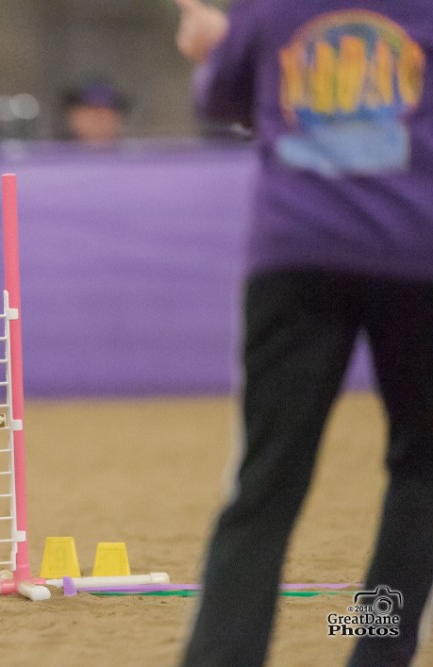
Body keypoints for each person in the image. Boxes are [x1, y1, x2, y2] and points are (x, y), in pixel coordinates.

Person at [173, 1, 433, 666]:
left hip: (297, 254)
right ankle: (378, 650)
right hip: (418, 254)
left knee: (268, 481)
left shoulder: (269, 6)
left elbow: (223, 100)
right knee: (422, 473)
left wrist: (218, 46)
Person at [60, 80, 130, 143]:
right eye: (89, 113)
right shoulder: (56, 151)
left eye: (105, 114)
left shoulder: (132, 151)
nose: (97, 122)